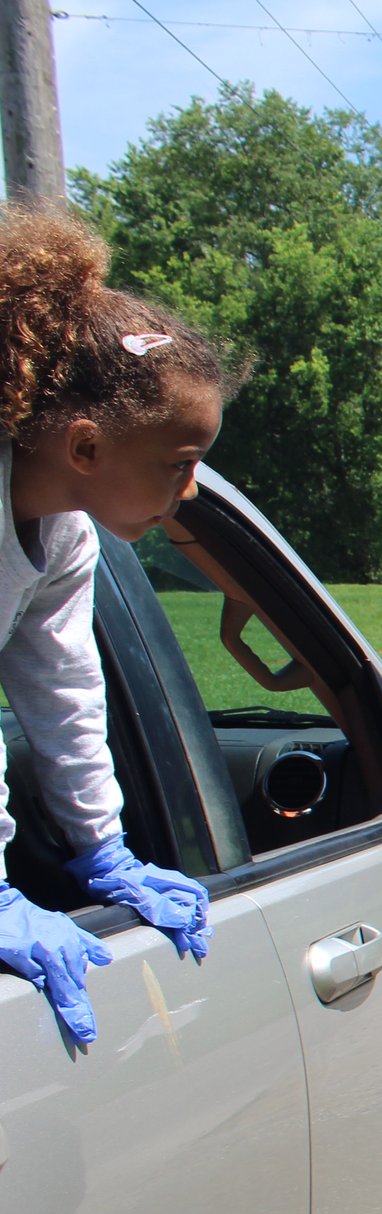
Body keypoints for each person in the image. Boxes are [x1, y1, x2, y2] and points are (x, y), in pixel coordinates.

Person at [0, 208, 226, 1046]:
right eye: (178, 463)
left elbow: (65, 688)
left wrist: (104, 847)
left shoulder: (64, 535)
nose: (192, 489)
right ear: (86, 447)